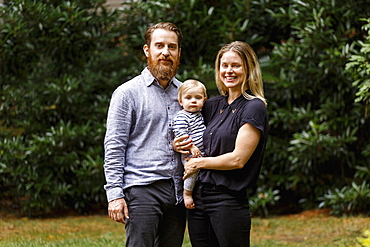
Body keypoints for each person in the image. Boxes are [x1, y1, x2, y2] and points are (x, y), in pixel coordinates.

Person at [174, 41, 268, 247]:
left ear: (248, 68)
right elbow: (188, 126)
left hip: (227, 199)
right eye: (224, 65)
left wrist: (198, 163)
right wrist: (178, 143)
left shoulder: (254, 107)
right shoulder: (211, 105)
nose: (229, 71)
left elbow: (238, 159)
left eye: (235, 65)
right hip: (197, 199)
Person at [103, 22, 186, 247]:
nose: (165, 52)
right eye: (159, 46)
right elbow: (114, 147)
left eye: (172, 47)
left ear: (179, 53)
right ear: (147, 50)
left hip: (178, 191)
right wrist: (115, 194)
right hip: (142, 190)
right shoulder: (127, 93)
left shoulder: (186, 95)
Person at [172, 79, 207, 209]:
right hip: (189, 154)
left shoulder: (199, 114)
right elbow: (180, 135)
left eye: (198, 98)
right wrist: (191, 147)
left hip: (201, 154)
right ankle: (187, 194)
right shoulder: (182, 116)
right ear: (181, 101)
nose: (193, 101)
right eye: (188, 98)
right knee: (191, 173)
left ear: (204, 100)